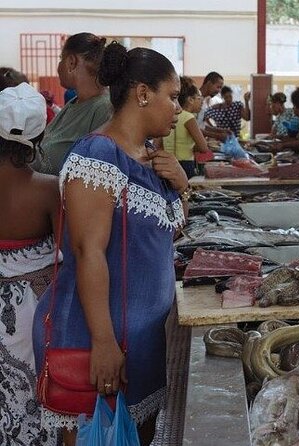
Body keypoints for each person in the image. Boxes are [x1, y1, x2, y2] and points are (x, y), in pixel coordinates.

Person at [33, 41, 188, 445]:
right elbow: (88, 251)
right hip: (96, 337)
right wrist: (102, 342)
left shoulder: (150, 158)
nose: (178, 108)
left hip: (140, 338)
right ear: (142, 93)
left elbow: (162, 236)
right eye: (171, 96)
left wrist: (182, 187)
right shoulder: (98, 156)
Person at [0, 83, 59, 446]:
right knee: (32, 397)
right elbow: (69, 252)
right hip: (32, 315)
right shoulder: (50, 188)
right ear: (40, 135)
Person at [32, 32, 113, 176]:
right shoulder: (73, 103)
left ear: (71, 62)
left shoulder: (104, 109)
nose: (59, 66)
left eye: (60, 59)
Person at [156, 76, 211, 178]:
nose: (202, 102)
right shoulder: (189, 117)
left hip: (167, 163)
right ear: (190, 99)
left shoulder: (170, 116)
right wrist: (192, 147)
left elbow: (157, 144)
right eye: (199, 99)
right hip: (185, 164)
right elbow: (203, 147)